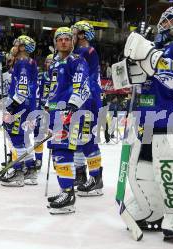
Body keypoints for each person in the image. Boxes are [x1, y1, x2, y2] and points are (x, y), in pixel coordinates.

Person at [121, 5, 173, 240]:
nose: (163, 25)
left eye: (168, 21)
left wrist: (148, 54)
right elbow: (135, 80)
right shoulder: (158, 48)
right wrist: (131, 64)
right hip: (149, 117)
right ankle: (152, 209)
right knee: (142, 168)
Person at [45, 27, 90, 214]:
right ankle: (65, 190)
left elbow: (82, 87)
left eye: (67, 39)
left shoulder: (78, 61)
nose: (63, 42)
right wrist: (47, 105)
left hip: (69, 112)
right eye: (60, 39)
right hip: (56, 112)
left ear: (72, 42)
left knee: (64, 150)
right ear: (56, 43)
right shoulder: (54, 64)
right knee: (57, 152)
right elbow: (53, 89)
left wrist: (72, 106)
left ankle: (69, 194)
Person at [0, 35, 39, 187]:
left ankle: (18, 172)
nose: (14, 47)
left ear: (22, 47)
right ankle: (30, 169)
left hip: (20, 106)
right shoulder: (29, 62)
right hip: (28, 105)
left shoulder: (22, 62)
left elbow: (21, 90)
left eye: (16, 44)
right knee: (22, 138)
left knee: (16, 137)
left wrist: (11, 106)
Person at [71, 21, 104, 195]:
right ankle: (80, 174)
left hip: (88, 101)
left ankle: (96, 178)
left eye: (74, 33)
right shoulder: (74, 52)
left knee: (87, 140)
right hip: (77, 101)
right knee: (76, 139)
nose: (71, 36)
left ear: (83, 35)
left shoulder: (88, 52)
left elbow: (86, 79)